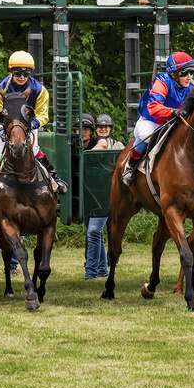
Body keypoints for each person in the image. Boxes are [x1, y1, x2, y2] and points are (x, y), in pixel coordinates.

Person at [0, 50, 62, 194]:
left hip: (28, 124)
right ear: (12, 72)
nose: (22, 77)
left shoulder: (39, 89)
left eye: (26, 74)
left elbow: (43, 114)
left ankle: (55, 179)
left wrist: (34, 124)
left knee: (35, 149)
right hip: (6, 126)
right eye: (18, 73)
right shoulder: (1, 88)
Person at [123, 51, 194, 186]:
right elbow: (153, 107)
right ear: (173, 74)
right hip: (152, 121)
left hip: (173, 122)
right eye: (184, 73)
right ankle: (130, 167)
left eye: (191, 72)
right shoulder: (161, 82)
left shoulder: (192, 85)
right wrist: (172, 112)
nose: (189, 76)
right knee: (146, 134)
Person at [83, 114, 117, 279]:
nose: (103, 129)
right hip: (90, 195)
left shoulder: (106, 143)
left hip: (106, 194)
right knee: (95, 232)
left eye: (106, 126)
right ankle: (103, 269)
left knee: (95, 231)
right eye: (100, 127)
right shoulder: (79, 145)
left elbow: (102, 146)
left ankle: (90, 271)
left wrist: (86, 156)